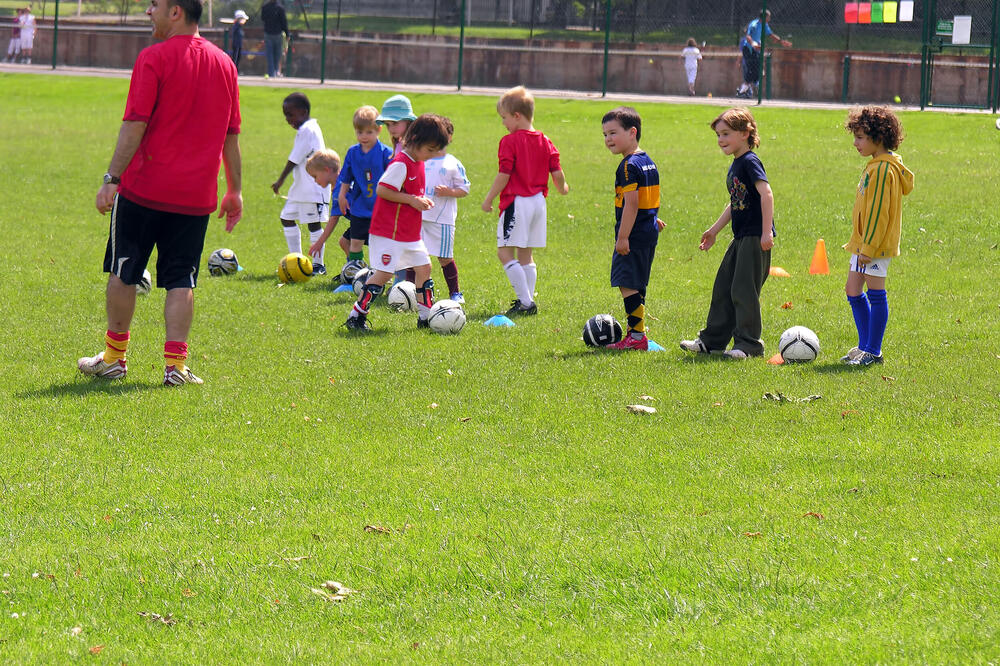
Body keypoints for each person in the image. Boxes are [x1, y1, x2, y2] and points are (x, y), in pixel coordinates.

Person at [79, 0, 242, 386]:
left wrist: (111, 178)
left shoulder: (153, 58)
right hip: (195, 197)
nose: (147, 12)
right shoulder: (226, 64)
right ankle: (176, 368)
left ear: (175, 13)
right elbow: (231, 136)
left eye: (154, 5)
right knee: (181, 279)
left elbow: (135, 123)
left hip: (143, 191)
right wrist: (234, 190)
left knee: (124, 271)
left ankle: (115, 358)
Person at [680, 108, 775, 359]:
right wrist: (714, 230)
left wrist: (767, 232)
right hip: (741, 236)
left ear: (745, 133)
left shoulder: (750, 162)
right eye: (718, 135)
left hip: (755, 237)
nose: (721, 140)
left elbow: (766, 194)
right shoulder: (737, 164)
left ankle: (748, 345)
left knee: (744, 290)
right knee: (723, 287)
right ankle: (712, 341)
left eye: (726, 134)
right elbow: (736, 202)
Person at [344, 114, 451, 332]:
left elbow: (411, 193)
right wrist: (412, 200)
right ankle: (356, 316)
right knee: (384, 274)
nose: (431, 156)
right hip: (388, 233)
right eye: (429, 150)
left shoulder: (418, 162)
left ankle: (425, 317)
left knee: (425, 268)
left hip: (408, 233)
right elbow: (383, 189)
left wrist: (420, 200)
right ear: (416, 141)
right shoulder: (401, 163)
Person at [481, 86, 569, 316]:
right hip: (539, 203)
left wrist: (489, 198)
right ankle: (526, 301)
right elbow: (557, 171)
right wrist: (563, 188)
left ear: (517, 116)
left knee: (504, 252)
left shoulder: (510, 141)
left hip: (517, 203)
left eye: (504, 118)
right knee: (525, 253)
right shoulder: (544, 140)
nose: (503, 124)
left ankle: (526, 302)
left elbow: (504, 174)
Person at [841, 106, 913, 366]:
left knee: (875, 292)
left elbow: (878, 214)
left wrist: (868, 248)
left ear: (878, 138)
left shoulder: (883, 170)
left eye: (860, 137)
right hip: (863, 244)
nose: (855, 143)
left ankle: (873, 350)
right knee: (852, 289)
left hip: (875, 246)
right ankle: (864, 347)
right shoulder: (876, 165)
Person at [601, 106, 663, 351]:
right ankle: (637, 334)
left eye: (613, 133)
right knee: (637, 283)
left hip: (634, 233)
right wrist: (653, 218)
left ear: (632, 132)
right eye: (605, 134)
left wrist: (623, 236)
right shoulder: (648, 161)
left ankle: (636, 337)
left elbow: (631, 203)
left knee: (627, 282)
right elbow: (651, 197)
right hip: (647, 229)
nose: (608, 139)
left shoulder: (627, 166)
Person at [318, 105, 393, 278]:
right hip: (359, 207)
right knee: (355, 242)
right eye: (360, 132)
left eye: (368, 132)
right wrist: (342, 195)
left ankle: (379, 276)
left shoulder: (385, 153)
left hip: (380, 209)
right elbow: (346, 177)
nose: (363, 137)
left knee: (379, 245)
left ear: (379, 130)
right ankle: (354, 276)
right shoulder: (353, 152)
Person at [271, 92, 331, 275]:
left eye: (291, 114)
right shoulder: (306, 128)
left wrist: (280, 180)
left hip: (314, 187)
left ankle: (319, 265)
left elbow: (294, 159)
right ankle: (295, 260)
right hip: (300, 189)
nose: (288, 119)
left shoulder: (308, 129)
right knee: (286, 217)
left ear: (303, 112)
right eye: (286, 115)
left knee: (313, 224)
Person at [415, 117, 470, 303]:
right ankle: (410, 292)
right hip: (419, 216)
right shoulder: (421, 160)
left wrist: (449, 191)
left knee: (445, 258)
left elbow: (465, 189)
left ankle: (455, 293)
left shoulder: (452, 163)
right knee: (414, 255)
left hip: (443, 219)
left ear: (449, 138)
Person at [376, 94, 417, 284]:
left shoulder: (412, 146)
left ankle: (406, 286)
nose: (391, 129)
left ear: (408, 122)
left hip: (409, 201)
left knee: (408, 246)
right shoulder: (399, 144)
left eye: (395, 123)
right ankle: (400, 285)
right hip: (398, 202)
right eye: (388, 125)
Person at [737, 9, 791, 99]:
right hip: (748, 49)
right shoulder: (754, 24)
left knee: (758, 70)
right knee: (752, 68)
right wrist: (753, 44)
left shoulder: (765, 25)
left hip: (756, 50)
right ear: (765, 17)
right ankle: (744, 89)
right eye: (768, 17)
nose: (769, 18)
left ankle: (745, 88)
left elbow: (771, 35)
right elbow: (748, 36)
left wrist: (781, 41)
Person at [260, 0, 287, 79]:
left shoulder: (265, 7)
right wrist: (287, 33)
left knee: (270, 54)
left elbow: (263, 18)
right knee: (277, 54)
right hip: (278, 33)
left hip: (268, 33)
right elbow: (284, 22)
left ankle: (271, 72)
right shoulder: (280, 8)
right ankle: (275, 71)